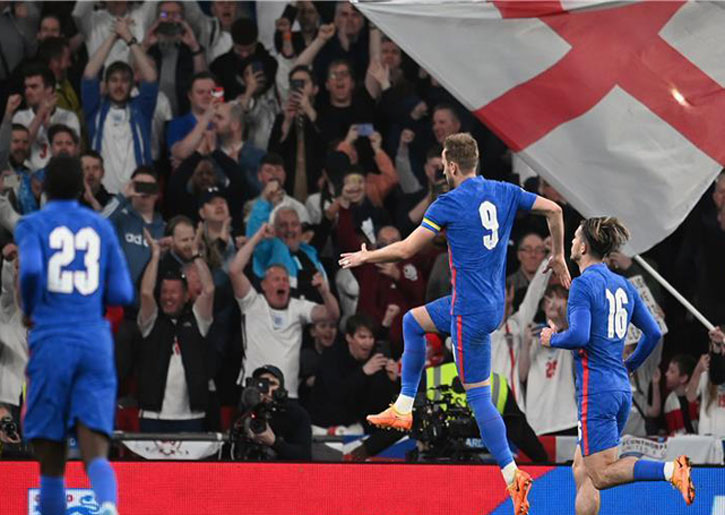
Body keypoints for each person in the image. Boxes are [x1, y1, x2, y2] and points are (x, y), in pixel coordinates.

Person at [339, 132, 571, 514]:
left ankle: (512, 475)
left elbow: (407, 248)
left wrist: (367, 257)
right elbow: (555, 211)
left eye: (443, 165)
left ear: (450, 165)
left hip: (469, 311)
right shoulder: (504, 191)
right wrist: (558, 255)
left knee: (478, 397)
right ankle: (403, 406)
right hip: (491, 304)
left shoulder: (448, 202)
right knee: (413, 321)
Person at [539, 217, 693, 513]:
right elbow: (652, 333)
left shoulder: (583, 284)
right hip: (621, 389)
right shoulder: (623, 285)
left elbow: (580, 336)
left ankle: (671, 470)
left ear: (584, 248)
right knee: (582, 468)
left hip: (596, 392)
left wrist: (552, 338)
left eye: (575, 237)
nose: (572, 242)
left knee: (601, 474)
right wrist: (630, 365)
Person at [15, 155, 134, 515]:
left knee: (52, 457)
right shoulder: (101, 227)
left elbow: (31, 271)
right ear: (82, 188)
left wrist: (31, 308)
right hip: (94, 342)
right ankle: (108, 504)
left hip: (53, 340)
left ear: (45, 188)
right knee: (95, 448)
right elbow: (122, 293)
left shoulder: (32, 224)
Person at [229, 223, 340, 401]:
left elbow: (332, 315)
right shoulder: (252, 303)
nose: (282, 283)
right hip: (253, 392)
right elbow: (234, 270)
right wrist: (258, 237)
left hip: (288, 393)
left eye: (285, 280)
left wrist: (325, 292)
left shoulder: (299, 307)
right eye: (276, 279)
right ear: (264, 285)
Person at [136, 226, 215, 432]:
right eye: (164, 292)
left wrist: (195, 254)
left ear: (187, 296)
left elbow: (209, 289)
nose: (168, 297)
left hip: (191, 416)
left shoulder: (197, 320)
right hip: (153, 414)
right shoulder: (151, 321)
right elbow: (146, 292)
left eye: (174, 292)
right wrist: (155, 256)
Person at [238, 365, 312, 461]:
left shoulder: (296, 414)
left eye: (272, 383)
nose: (267, 389)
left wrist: (274, 442)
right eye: (261, 384)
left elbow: (304, 455)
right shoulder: (246, 411)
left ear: (281, 388)